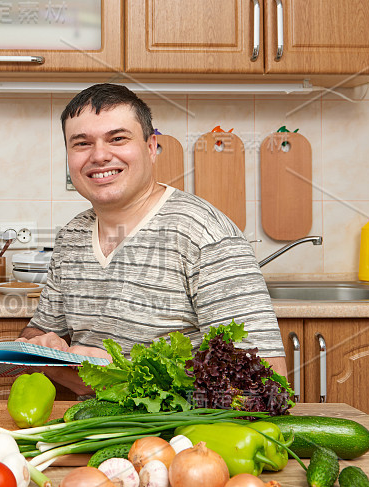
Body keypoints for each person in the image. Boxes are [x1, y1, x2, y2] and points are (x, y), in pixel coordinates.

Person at [19, 83, 286, 395]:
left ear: (150, 147)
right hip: (89, 430)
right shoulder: (71, 236)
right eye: (81, 143)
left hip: (179, 439)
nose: (100, 155)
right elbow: (41, 327)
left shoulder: (204, 234)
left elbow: (267, 379)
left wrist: (121, 376)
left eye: (117, 139)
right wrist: (36, 344)